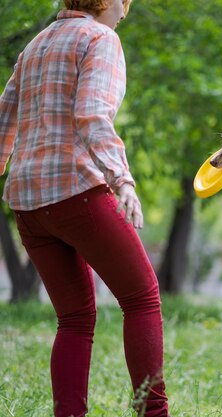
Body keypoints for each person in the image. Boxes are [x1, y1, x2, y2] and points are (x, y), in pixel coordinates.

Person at [0, 1, 170, 416]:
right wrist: (122, 179)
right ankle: (154, 413)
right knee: (141, 297)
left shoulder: (35, 46)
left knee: (74, 319)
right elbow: (91, 114)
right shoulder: (100, 38)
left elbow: (4, 120)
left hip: (28, 203)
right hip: (77, 191)